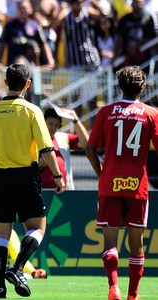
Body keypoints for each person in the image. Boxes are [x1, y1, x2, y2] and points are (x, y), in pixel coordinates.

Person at [0, 63, 65, 299]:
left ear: (5, 83)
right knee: (38, 227)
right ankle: (17, 268)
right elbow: (46, 146)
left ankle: (0, 288)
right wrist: (58, 175)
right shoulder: (32, 111)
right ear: (27, 84)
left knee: (1, 234)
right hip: (24, 176)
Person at [86, 66, 158, 300]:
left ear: (120, 86)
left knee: (110, 242)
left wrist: (101, 174)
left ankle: (113, 287)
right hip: (138, 185)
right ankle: (132, 296)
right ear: (143, 87)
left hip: (110, 183)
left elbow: (89, 149)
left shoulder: (106, 111)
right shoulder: (151, 113)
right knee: (136, 245)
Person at [39, 108, 89, 190]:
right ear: (43, 123)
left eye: (56, 125)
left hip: (63, 193)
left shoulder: (63, 138)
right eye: (50, 124)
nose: (53, 128)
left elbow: (85, 142)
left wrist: (75, 119)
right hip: (42, 193)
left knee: (57, 203)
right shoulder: (34, 140)